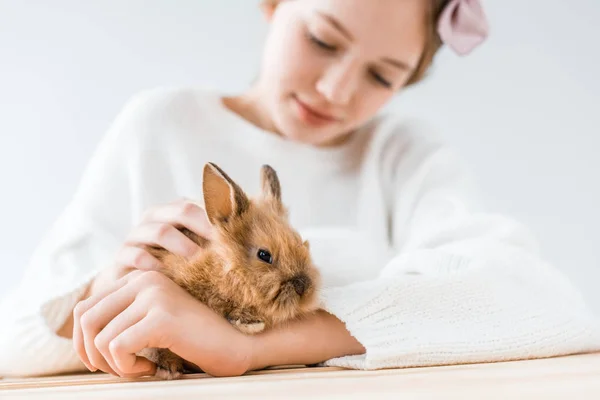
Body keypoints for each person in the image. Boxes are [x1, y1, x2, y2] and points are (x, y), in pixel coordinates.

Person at [1, 0, 598, 379]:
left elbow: (539, 299)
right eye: (323, 40)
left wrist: (254, 347)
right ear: (273, 4)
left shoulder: (402, 153)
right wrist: (106, 292)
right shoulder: (160, 123)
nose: (337, 91)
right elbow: (13, 344)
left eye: (382, 74)